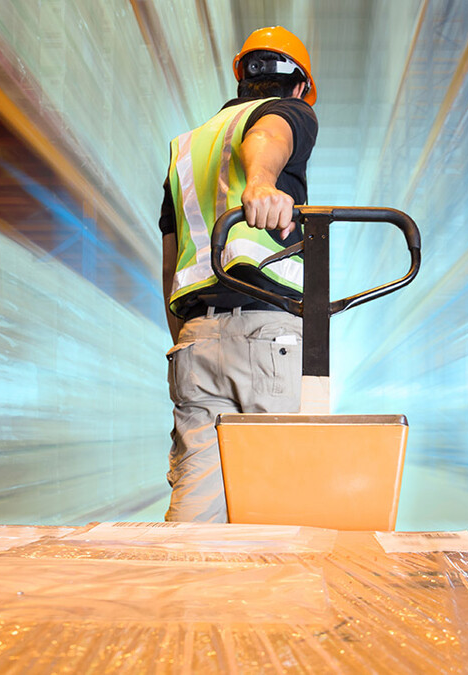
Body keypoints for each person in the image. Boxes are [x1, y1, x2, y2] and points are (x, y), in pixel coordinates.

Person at [158, 26, 319, 522]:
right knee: (280, 499)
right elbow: (271, 136)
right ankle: (275, 602)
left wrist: (184, 337)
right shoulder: (290, 113)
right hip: (267, 331)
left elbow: (170, 261)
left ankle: (184, 596)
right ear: (299, 86)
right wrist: (264, 182)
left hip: (195, 337)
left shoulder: (187, 146)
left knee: (196, 501)